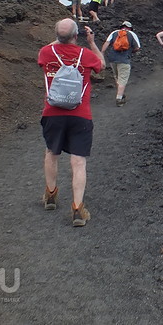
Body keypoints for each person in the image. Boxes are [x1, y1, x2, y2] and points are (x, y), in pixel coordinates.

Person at [38, 19, 105, 227]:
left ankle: (50, 195)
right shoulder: (85, 55)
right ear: (77, 36)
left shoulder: (46, 52)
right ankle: (77, 209)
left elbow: (52, 47)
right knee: (78, 161)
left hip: (53, 113)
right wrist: (92, 42)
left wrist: (61, 37)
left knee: (51, 152)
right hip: (80, 115)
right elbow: (101, 65)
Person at [100, 21, 141, 106]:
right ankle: (119, 99)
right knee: (122, 79)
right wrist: (131, 51)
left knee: (117, 77)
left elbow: (106, 44)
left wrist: (101, 54)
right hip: (124, 59)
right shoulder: (132, 34)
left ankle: (121, 93)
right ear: (129, 28)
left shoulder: (114, 33)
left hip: (112, 59)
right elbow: (138, 47)